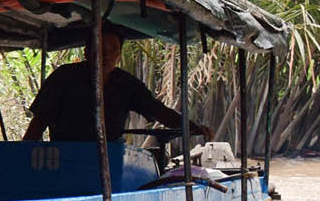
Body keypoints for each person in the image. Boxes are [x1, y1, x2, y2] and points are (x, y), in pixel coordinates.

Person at [23, 27, 212, 143]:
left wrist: (192, 127)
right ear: (87, 51)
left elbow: (157, 111)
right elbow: (40, 121)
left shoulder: (127, 84)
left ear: (119, 54)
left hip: (112, 157)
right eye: (99, 48)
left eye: (112, 49)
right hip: (66, 157)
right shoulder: (63, 77)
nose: (105, 54)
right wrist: (23, 157)